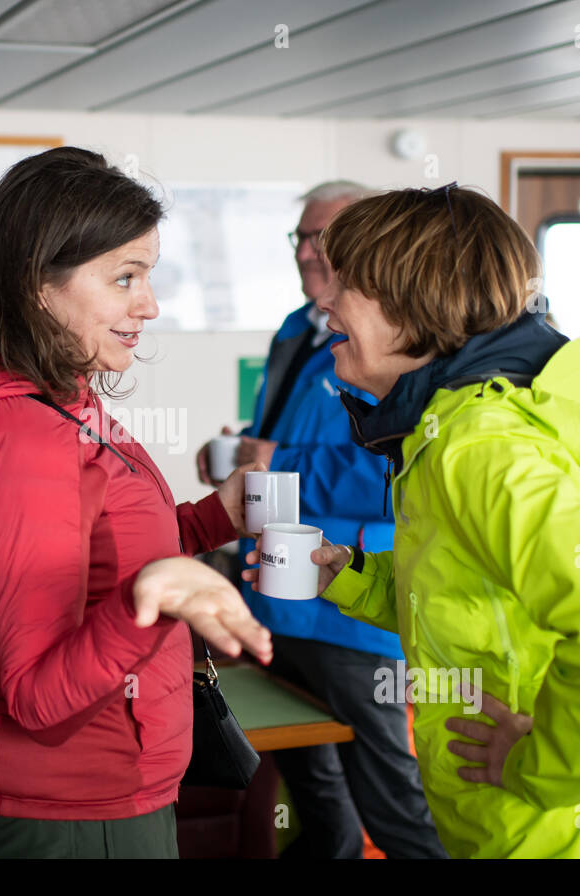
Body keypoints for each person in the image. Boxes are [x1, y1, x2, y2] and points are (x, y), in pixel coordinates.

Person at [243, 183, 580, 858]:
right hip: (500, 823)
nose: (327, 302)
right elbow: (464, 601)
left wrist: (539, 764)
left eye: (349, 285)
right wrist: (353, 577)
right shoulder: (440, 433)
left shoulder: (480, 450)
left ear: (413, 308)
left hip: (557, 834)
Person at [0, 146, 273, 859]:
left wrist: (218, 516)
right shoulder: (17, 438)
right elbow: (38, 693)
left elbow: (106, 553)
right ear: (40, 285)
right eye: (124, 277)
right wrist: (149, 601)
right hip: (73, 813)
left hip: (101, 792)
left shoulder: (60, 400)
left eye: (148, 276)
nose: (149, 305)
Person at [195, 181, 445, 859]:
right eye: (300, 237)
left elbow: (404, 476)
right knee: (314, 794)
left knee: (391, 803)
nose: (307, 251)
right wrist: (238, 454)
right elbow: (278, 438)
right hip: (276, 599)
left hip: (349, 608)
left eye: (323, 237)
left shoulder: (403, 341)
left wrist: (284, 461)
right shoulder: (294, 328)